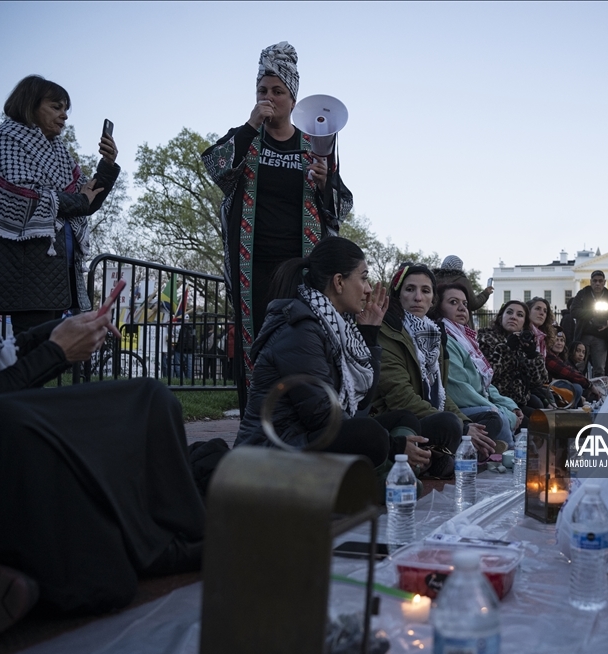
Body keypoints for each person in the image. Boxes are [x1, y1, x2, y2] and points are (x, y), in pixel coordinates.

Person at [0, 122, 203, 644]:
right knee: (100, 579)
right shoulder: (13, 157)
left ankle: (174, 536)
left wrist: (58, 333)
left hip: (4, 392)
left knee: (149, 396)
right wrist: (53, 353)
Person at [202, 42, 352, 401]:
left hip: (301, 264)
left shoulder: (314, 143)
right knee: (254, 341)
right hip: (251, 264)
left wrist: (323, 183)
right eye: (262, 90)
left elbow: (339, 207)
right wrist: (251, 125)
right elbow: (216, 170)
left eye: (277, 91)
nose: (268, 98)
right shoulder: (247, 137)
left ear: (293, 97)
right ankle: (254, 421)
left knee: (300, 337)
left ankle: (302, 420)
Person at [232, 238, 445, 477]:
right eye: (363, 277)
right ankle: (383, 475)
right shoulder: (299, 330)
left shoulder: (340, 327)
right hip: (275, 450)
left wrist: (369, 333)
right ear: (339, 282)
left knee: (402, 420)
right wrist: (393, 446)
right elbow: (322, 416)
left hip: (310, 438)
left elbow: (362, 403)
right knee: (371, 434)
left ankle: (385, 474)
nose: (367, 288)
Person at [0, 76, 120, 332]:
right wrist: (78, 200)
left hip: (59, 270)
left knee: (51, 354)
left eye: (65, 109)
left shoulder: (59, 152)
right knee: (33, 354)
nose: (64, 115)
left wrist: (107, 166)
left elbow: (86, 201)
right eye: (56, 107)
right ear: (30, 105)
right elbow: (21, 196)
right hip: (26, 270)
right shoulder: (8, 139)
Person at [371, 264, 496, 475]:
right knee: (449, 424)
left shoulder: (433, 335)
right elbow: (400, 398)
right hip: (397, 419)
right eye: (410, 289)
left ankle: (445, 456)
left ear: (432, 300)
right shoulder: (388, 331)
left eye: (425, 291)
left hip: (426, 413)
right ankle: (443, 458)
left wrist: (467, 425)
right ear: (398, 295)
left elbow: (440, 393)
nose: (418, 298)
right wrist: (462, 428)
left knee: (486, 422)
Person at [431, 283, 516, 449]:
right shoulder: (446, 338)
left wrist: (511, 406)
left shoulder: (465, 339)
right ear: (439, 307)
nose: (462, 308)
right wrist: (502, 410)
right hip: (459, 406)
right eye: (454, 302)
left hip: (483, 401)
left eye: (465, 303)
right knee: (497, 418)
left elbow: (485, 383)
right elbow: (459, 390)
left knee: (520, 413)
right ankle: (507, 459)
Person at [478, 300, 550, 414]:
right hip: (496, 400)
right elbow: (487, 376)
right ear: (501, 317)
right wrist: (506, 348)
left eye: (520, 315)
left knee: (543, 414)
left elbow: (538, 381)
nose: (513, 317)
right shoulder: (485, 338)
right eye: (509, 312)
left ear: (524, 324)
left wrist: (532, 356)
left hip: (520, 400)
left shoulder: (523, 342)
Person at [569, 270, 608, 377]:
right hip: (583, 336)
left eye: (600, 281)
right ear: (591, 281)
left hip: (601, 338)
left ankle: (598, 392)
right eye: (595, 281)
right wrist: (590, 312)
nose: (597, 283)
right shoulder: (583, 293)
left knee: (600, 369)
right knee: (579, 366)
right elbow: (573, 311)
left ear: (604, 282)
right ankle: (580, 391)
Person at [546, 328, 599, 404]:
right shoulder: (548, 356)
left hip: (553, 388)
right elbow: (570, 374)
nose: (559, 343)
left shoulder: (561, 358)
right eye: (556, 340)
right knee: (577, 388)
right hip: (546, 388)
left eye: (562, 340)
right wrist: (590, 385)